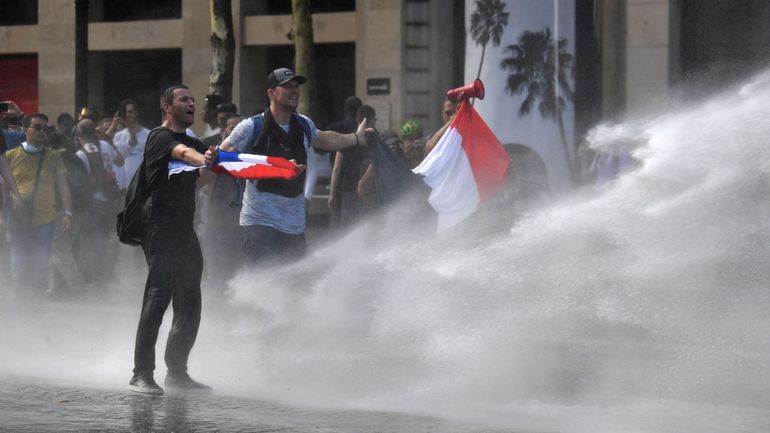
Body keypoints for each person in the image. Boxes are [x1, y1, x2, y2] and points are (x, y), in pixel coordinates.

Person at [219, 67, 370, 265]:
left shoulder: (304, 124)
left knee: (294, 289)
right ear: (271, 93)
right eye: (287, 87)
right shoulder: (251, 126)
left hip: (294, 226)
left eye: (296, 87)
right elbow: (221, 158)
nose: (294, 91)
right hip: (259, 223)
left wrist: (356, 138)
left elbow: (326, 138)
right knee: (264, 284)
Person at [128, 84, 217, 396]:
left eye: (193, 100)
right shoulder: (160, 137)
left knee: (190, 300)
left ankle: (177, 371)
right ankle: (141, 373)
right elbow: (185, 155)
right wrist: (202, 158)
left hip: (183, 229)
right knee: (157, 297)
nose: (191, 103)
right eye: (184, 99)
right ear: (167, 107)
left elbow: (197, 180)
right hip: (158, 226)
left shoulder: (193, 141)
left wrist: (217, 165)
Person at [5, 113, 72, 295]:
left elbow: (63, 185)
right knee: (18, 258)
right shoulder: (11, 156)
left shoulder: (53, 157)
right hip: (18, 219)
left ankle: (38, 298)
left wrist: (68, 212)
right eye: (38, 127)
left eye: (45, 128)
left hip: (45, 219)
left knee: (42, 259)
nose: (42, 131)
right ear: (26, 130)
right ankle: (19, 297)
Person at [328, 104, 375, 227]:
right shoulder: (376, 139)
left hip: (348, 190)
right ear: (371, 121)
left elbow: (336, 168)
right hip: (369, 192)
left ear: (357, 120)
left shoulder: (348, 139)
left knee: (347, 228)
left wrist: (332, 194)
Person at [113, 99, 150, 190]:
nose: (127, 115)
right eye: (125, 112)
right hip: (123, 187)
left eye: (130, 112)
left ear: (136, 113)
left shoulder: (148, 134)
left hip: (142, 186)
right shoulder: (118, 136)